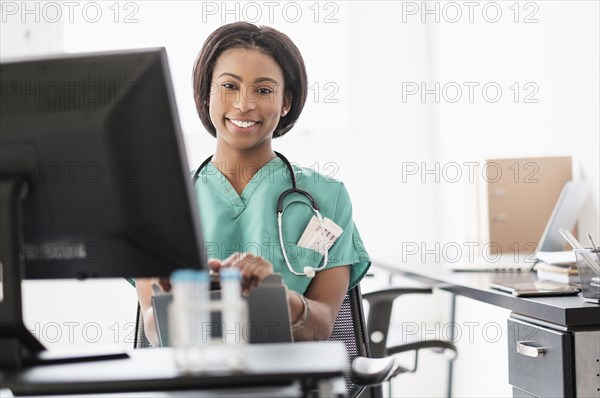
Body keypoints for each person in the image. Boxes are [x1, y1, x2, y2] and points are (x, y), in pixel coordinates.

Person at [136, 22, 370, 346]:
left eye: (263, 90)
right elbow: (153, 333)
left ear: (286, 101)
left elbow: (321, 328)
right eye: (229, 86)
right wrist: (174, 301)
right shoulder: (162, 202)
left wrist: (278, 298)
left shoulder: (327, 199)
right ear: (206, 94)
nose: (244, 104)